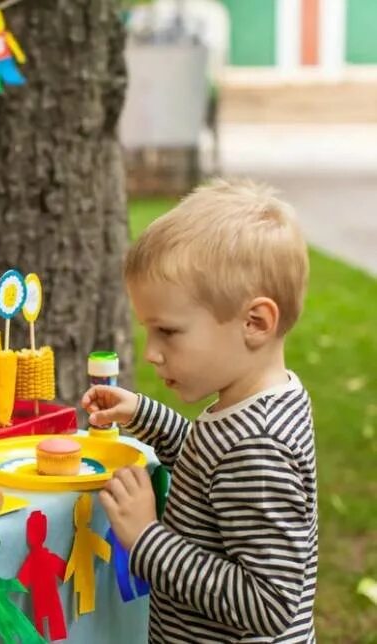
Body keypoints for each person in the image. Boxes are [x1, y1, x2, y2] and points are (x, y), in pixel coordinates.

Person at [82, 178, 317, 642]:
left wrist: (147, 538)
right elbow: (207, 457)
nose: (151, 352)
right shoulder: (252, 407)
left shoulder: (259, 448)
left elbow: (269, 602)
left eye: (168, 332)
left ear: (255, 323)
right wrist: (146, 415)